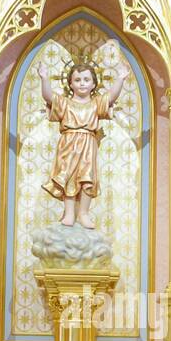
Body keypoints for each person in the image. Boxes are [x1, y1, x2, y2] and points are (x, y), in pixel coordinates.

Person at [38, 53, 128, 228]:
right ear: (70, 83)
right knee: (68, 176)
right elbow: (49, 97)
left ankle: (84, 213)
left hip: (88, 144)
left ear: (94, 83)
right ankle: (70, 213)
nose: (82, 83)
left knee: (87, 178)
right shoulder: (64, 103)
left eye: (86, 79)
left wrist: (121, 78)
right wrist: (44, 78)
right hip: (68, 144)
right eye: (78, 80)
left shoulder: (95, 104)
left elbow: (111, 97)